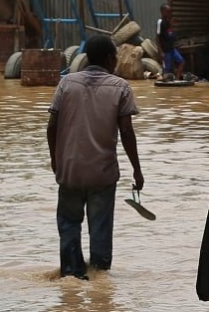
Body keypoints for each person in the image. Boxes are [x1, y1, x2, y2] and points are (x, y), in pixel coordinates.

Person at [46, 35, 143, 280]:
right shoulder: (120, 87)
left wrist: (56, 160)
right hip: (102, 173)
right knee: (100, 230)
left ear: (87, 58)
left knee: (69, 224)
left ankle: (71, 274)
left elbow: (51, 126)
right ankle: (100, 281)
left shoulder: (66, 83)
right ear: (111, 59)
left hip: (69, 171)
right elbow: (127, 132)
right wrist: (137, 170)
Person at [159, 5, 187, 81]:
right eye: (167, 12)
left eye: (170, 12)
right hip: (166, 50)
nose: (169, 13)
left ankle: (177, 80)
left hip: (172, 48)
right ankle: (166, 83)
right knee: (167, 69)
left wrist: (172, 26)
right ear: (162, 12)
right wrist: (161, 51)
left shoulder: (168, 22)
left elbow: (171, 34)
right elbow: (157, 38)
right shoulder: (160, 22)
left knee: (181, 61)